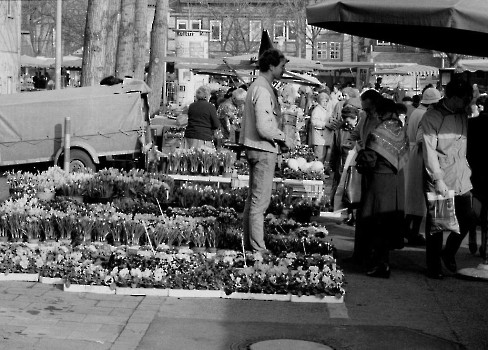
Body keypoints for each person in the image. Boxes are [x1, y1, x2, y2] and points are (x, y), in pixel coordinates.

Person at [239, 48, 294, 253]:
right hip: (262, 149)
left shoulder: (259, 86)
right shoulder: (262, 89)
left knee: (253, 200)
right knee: (259, 202)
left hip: (256, 148)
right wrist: (284, 138)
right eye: (282, 66)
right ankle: (257, 248)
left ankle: (250, 244)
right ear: (271, 66)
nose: (284, 69)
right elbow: (264, 127)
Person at [421, 77, 474, 279]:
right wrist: (438, 179)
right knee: (438, 224)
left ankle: (449, 252)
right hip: (441, 176)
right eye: (464, 99)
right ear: (451, 97)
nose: (466, 104)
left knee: (467, 219)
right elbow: (429, 152)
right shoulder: (432, 117)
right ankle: (434, 265)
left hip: (461, 175)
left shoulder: (462, 114)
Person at [356, 98, 409, 278]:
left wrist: (361, 159)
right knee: (389, 224)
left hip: (379, 181)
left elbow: (370, 160)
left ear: (383, 113)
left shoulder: (378, 132)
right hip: (397, 180)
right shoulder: (401, 131)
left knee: (374, 222)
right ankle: (384, 262)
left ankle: (377, 264)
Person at [346, 89, 383, 263]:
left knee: (371, 213)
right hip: (363, 166)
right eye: (363, 109)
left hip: (376, 169)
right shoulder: (365, 117)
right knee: (361, 210)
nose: (365, 111)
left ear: (375, 105)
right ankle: (360, 252)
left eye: (367, 108)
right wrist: (355, 143)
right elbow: (355, 134)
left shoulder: (381, 120)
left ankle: (369, 253)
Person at [404, 88, 441, 247]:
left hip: (411, 154)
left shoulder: (415, 112)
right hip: (421, 155)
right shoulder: (426, 114)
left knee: (412, 196)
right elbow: (421, 139)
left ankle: (408, 231)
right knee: (419, 197)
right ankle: (411, 231)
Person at [330, 104, 360, 226]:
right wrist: (332, 164)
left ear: (355, 118)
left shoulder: (361, 129)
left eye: (350, 122)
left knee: (355, 189)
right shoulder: (340, 130)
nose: (348, 124)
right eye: (345, 121)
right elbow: (335, 149)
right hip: (342, 163)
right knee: (345, 190)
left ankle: (356, 216)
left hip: (356, 163)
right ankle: (349, 215)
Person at [310, 92, 336, 165]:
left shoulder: (326, 110)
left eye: (326, 101)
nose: (325, 103)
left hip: (325, 138)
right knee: (319, 158)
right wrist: (325, 124)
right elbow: (314, 122)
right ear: (319, 101)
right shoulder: (317, 110)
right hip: (319, 138)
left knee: (324, 158)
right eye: (323, 101)